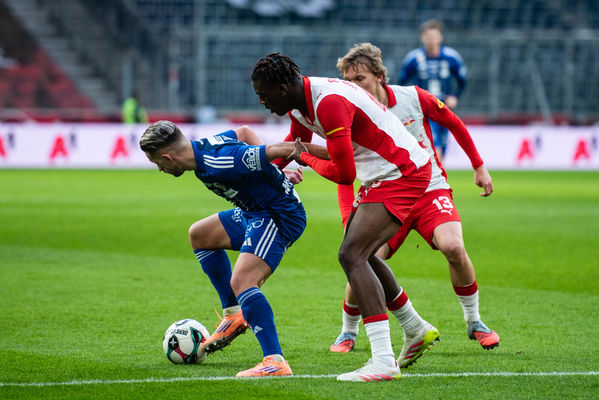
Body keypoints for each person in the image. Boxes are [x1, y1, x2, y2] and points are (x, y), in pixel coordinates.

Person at [252, 53, 436, 382]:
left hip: (401, 172)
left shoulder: (329, 103)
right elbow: (295, 144)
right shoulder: (299, 102)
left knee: (351, 255)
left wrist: (306, 158)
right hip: (383, 173)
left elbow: (343, 173)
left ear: (282, 89)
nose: (262, 102)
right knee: (363, 254)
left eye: (263, 95)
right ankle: (414, 327)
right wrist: (262, 178)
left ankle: (383, 361)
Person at [331, 42, 499, 360]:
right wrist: (346, 221)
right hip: (383, 197)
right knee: (363, 257)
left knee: (453, 247)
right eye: (348, 81)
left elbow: (452, 122)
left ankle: (474, 320)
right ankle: (348, 330)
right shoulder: (347, 114)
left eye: (359, 79)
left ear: (379, 76)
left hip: (429, 189)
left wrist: (478, 165)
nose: (353, 86)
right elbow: (344, 172)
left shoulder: (413, 97)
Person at [140, 120, 309, 377]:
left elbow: (273, 149)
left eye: (157, 163)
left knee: (243, 281)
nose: (160, 169)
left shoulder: (219, 161)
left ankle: (275, 361)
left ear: (167, 157)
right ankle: (233, 314)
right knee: (200, 235)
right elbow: (244, 132)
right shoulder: (202, 149)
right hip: (254, 212)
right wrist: (275, 174)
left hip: (277, 215)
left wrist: (277, 172)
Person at [399, 19, 467, 163]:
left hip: (444, 108)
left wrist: (455, 96)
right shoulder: (414, 58)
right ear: (422, 37)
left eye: (434, 36)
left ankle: (436, 176)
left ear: (440, 37)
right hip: (424, 109)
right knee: (434, 148)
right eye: (428, 36)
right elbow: (401, 82)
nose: (431, 40)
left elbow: (462, 80)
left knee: (442, 149)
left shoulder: (451, 57)